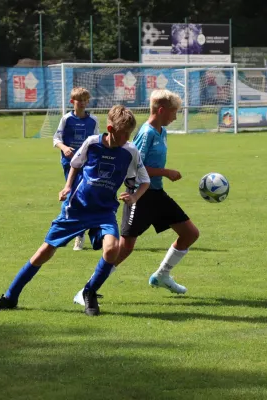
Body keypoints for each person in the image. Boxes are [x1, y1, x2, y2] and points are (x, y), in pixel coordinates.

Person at [0, 105, 150, 316]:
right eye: (124, 134)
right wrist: (67, 186)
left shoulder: (130, 151)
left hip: (104, 211)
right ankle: (10, 296)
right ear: (110, 129)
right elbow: (75, 164)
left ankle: (89, 292)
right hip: (77, 208)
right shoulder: (92, 143)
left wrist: (134, 197)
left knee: (112, 249)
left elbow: (144, 180)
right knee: (43, 253)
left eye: (130, 133)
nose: (128, 138)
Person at [73, 89, 200, 306]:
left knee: (190, 233)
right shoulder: (147, 133)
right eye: (173, 112)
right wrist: (166, 172)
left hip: (157, 194)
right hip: (140, 197)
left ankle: (162, 275)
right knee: (124, 248)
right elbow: (134, 167)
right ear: (161, 110)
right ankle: (87, 288)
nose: (176, 117)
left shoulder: (162, 132)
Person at [53, 87, 100, 250]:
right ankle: (69, 232)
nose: (81, 103)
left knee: (82, 195)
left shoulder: (93, 120)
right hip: (69, 163)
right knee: (72, 195)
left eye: (84, 100)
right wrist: (64, 148)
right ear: (72, 102)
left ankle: (78, 235)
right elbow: (56, 138)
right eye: (78, 100)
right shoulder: (66, 119)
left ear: (88, 102)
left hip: (87, 164)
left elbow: (96, 141)